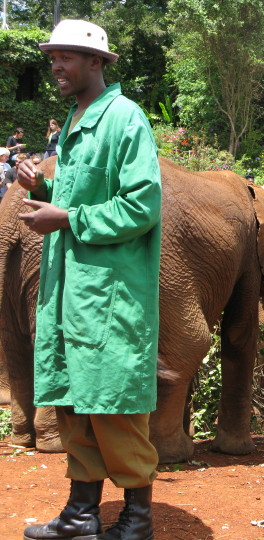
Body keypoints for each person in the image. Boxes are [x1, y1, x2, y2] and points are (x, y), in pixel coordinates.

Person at [16, 19, 162, 540]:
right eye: (52, 57)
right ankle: (81, 514)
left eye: (66, 57)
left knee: (114, 402)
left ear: (96, 62)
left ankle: (137, 519)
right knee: (76, 400)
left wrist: (67, 218)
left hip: (111, 292)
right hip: (70, 290)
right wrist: (45, 188)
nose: (55, 66)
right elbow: (80, 195)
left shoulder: (124, 118)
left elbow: (141, 205)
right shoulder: (75, 120)